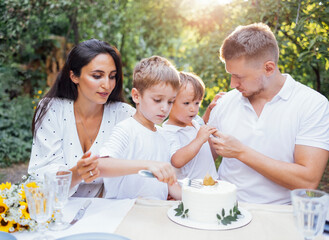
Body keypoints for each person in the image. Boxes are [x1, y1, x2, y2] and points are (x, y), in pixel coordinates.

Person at [28, 39, 177, 197]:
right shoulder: (53, 110)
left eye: (112, 76)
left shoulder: (124, 113)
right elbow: (42, 179)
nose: (107, 84)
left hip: (104, 211)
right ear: (74, 76)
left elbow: (147, 153)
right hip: (55, 207)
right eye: (97, 76)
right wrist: (78, 173)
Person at [208, 23, 329, 204]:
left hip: (281, 215)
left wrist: (241, 152)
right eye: (230, 75)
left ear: (269, 68)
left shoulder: (312, 105)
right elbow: (201, 160)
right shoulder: (224, 103)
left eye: (239, 77)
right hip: (224, 210)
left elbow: (307, 181)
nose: (232, 84)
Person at [99, 55, 182, 200]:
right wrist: (147, 165)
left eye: (170, 101)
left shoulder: (165, 136)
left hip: (154, 214)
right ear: (136, 96)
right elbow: (101, 166)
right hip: (123, 214)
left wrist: (193, 199)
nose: (164, 108)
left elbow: (171, 184)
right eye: (157, 100)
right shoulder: (126, 129)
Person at [162, 72, 219, 180]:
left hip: (211, 182)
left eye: (197, 103)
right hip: (191, 189)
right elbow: (176, 161)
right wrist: (199, 139)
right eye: (186, 103)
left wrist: (210, 109)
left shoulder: (195, 123)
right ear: (170, 103)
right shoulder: (168, 131)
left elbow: (202, 122)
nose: (193, 108)